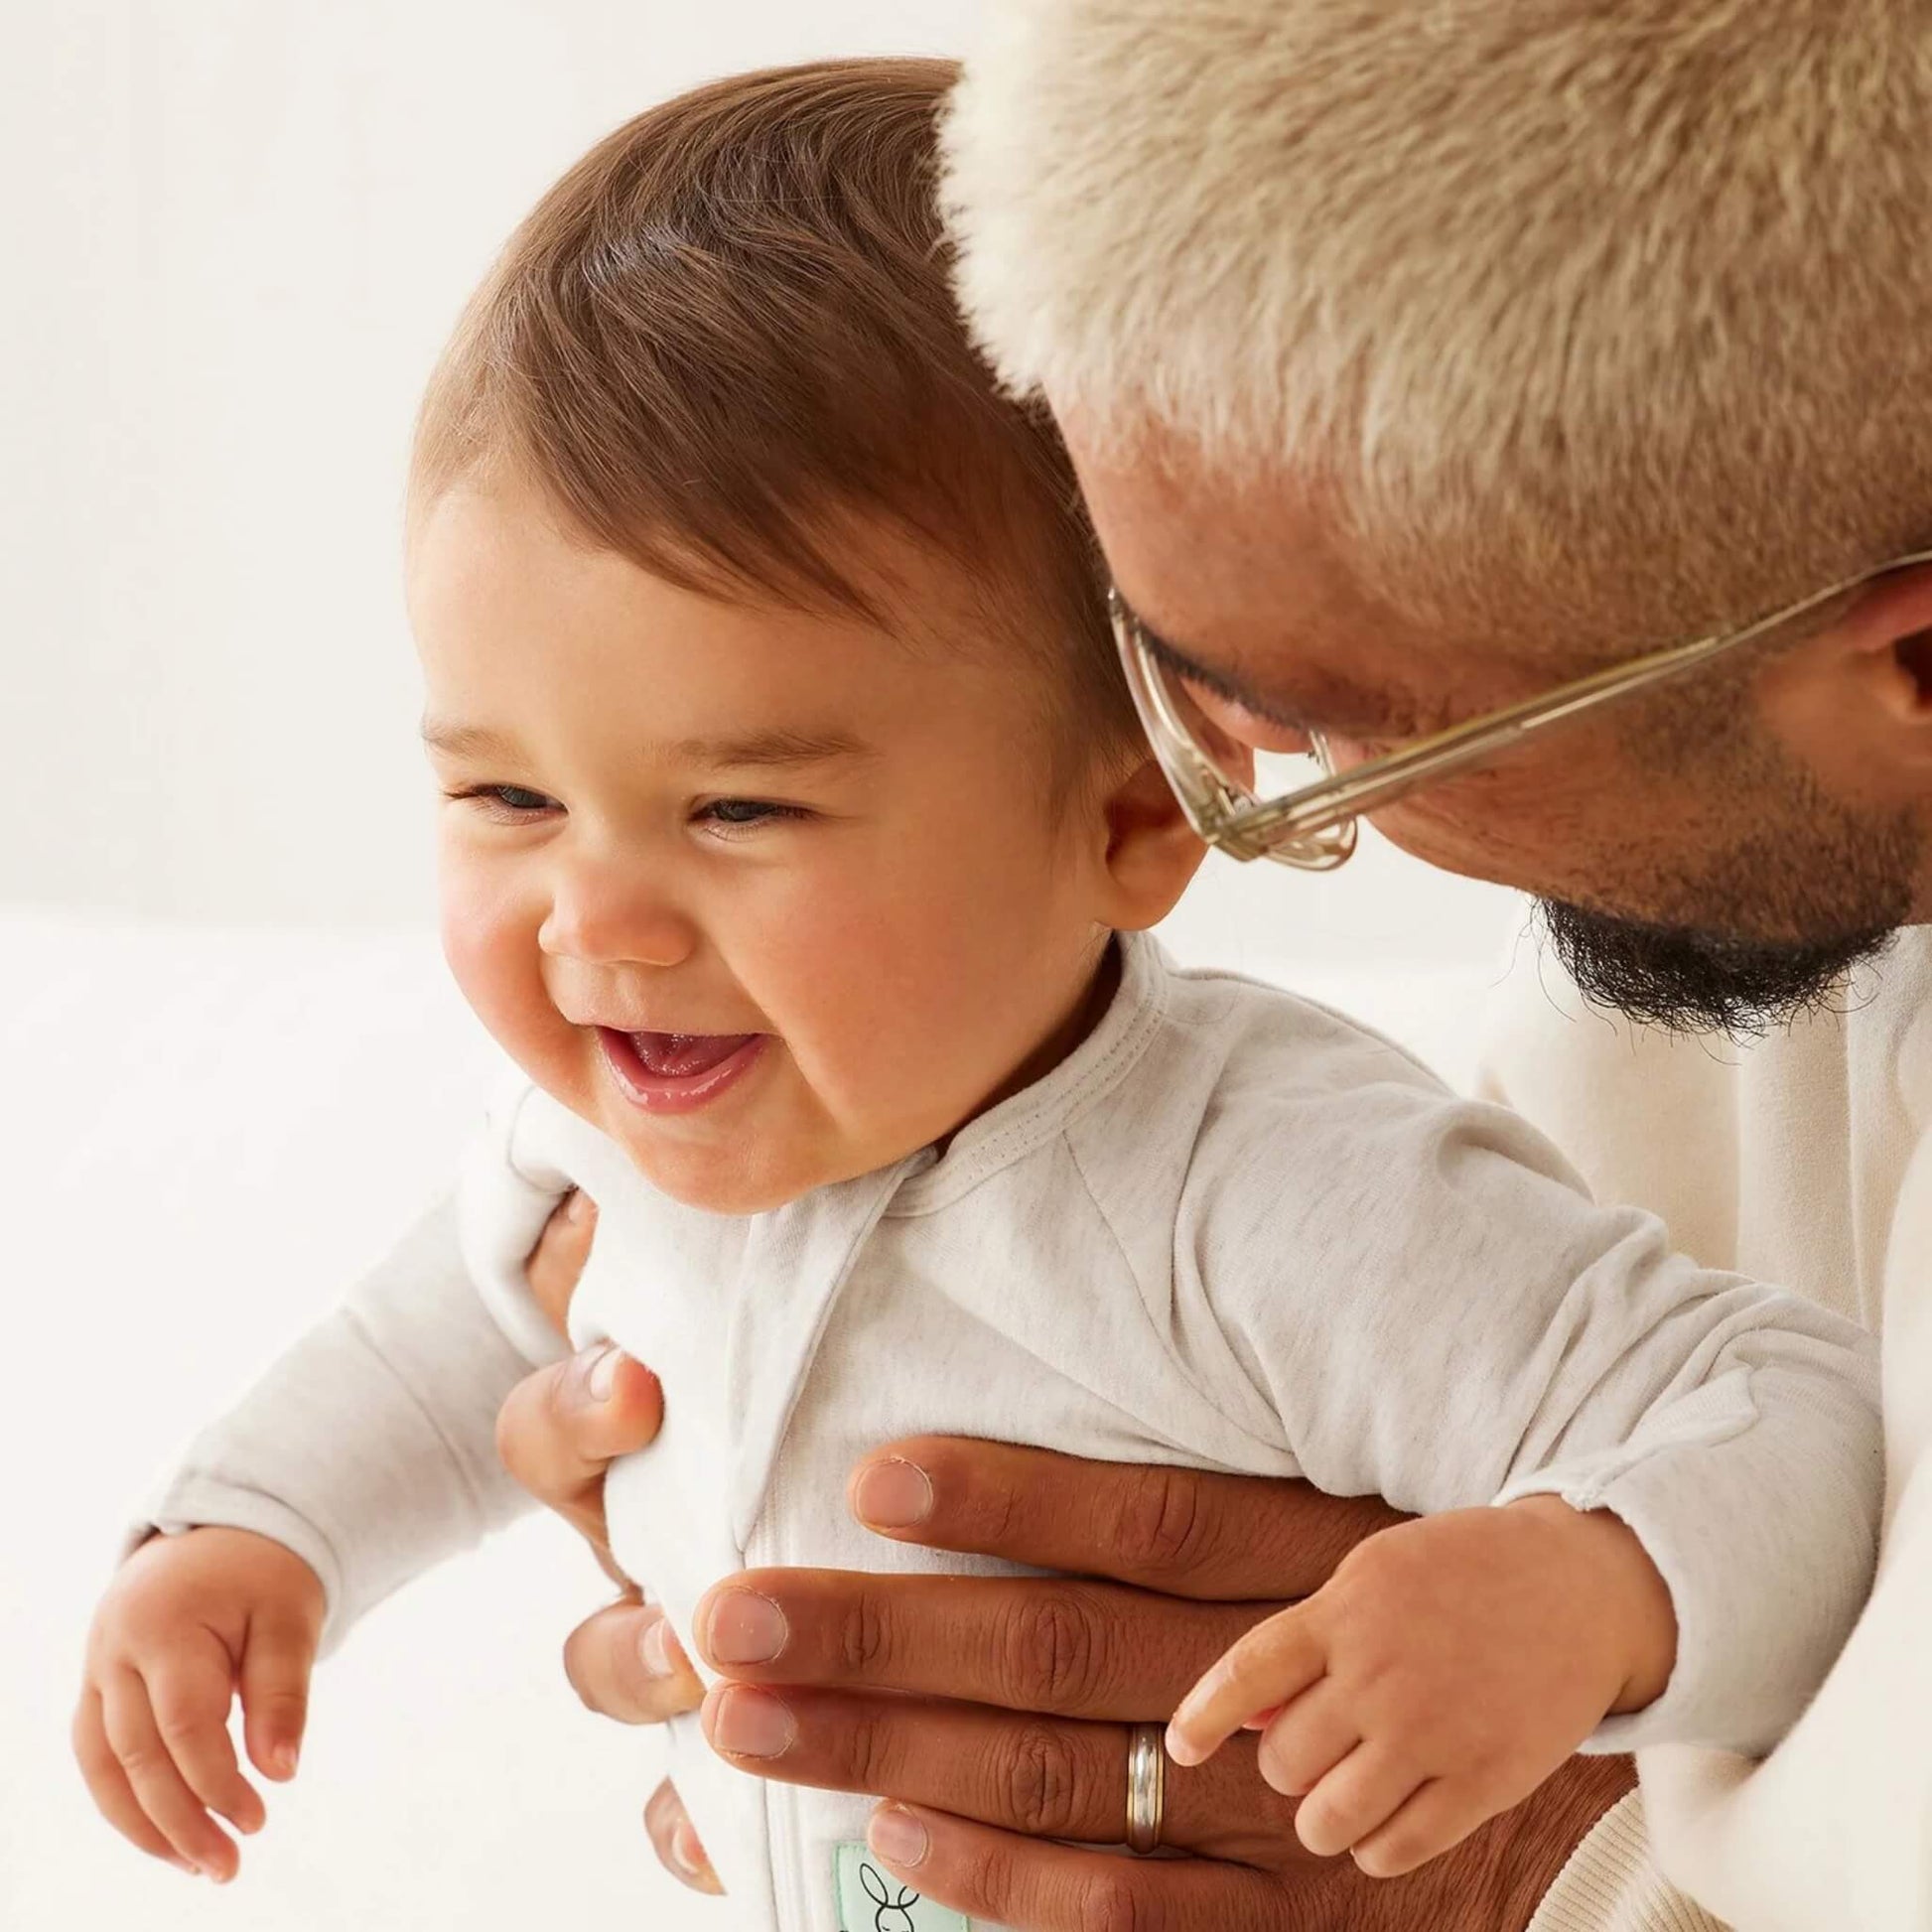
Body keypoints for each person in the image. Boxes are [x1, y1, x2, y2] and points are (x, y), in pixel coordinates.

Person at [67, 53, 1881, 1932]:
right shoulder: (596, 1150)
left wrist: (1582, 1595)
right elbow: (438, 1344)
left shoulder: (1267, 1190)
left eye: (738, 805)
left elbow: (1787, 1422)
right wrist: (245, 1538)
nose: (594, 919)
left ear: (1126, 817)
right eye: (503, 795)